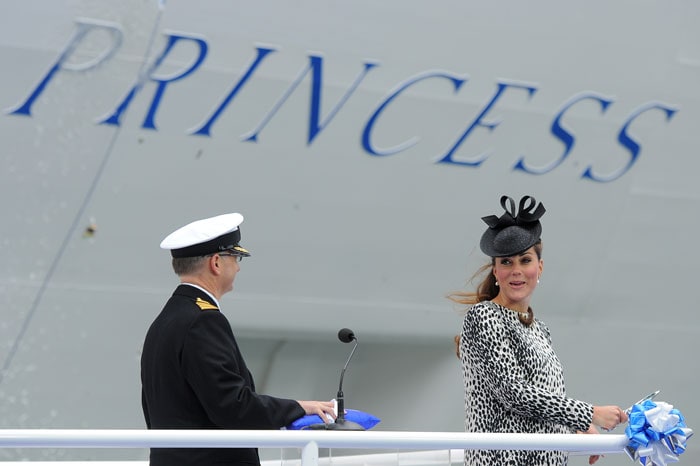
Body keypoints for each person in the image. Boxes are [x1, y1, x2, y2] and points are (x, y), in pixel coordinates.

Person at [141, 212, 336, 466]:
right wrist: (299, 408)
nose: (239, 266)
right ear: (216, 263)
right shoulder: (204, 320)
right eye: (236, 257)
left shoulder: (164, 321)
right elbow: (232, 406)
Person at [449, 195, 628, 466]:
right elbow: (513, 393)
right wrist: (588, 414)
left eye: (525, 260)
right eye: (506, 262)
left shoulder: (540, 330)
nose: (516, 271)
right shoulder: (483, 316)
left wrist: (574, 428)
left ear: (539, 267)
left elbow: (540, 406)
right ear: (495, 271)